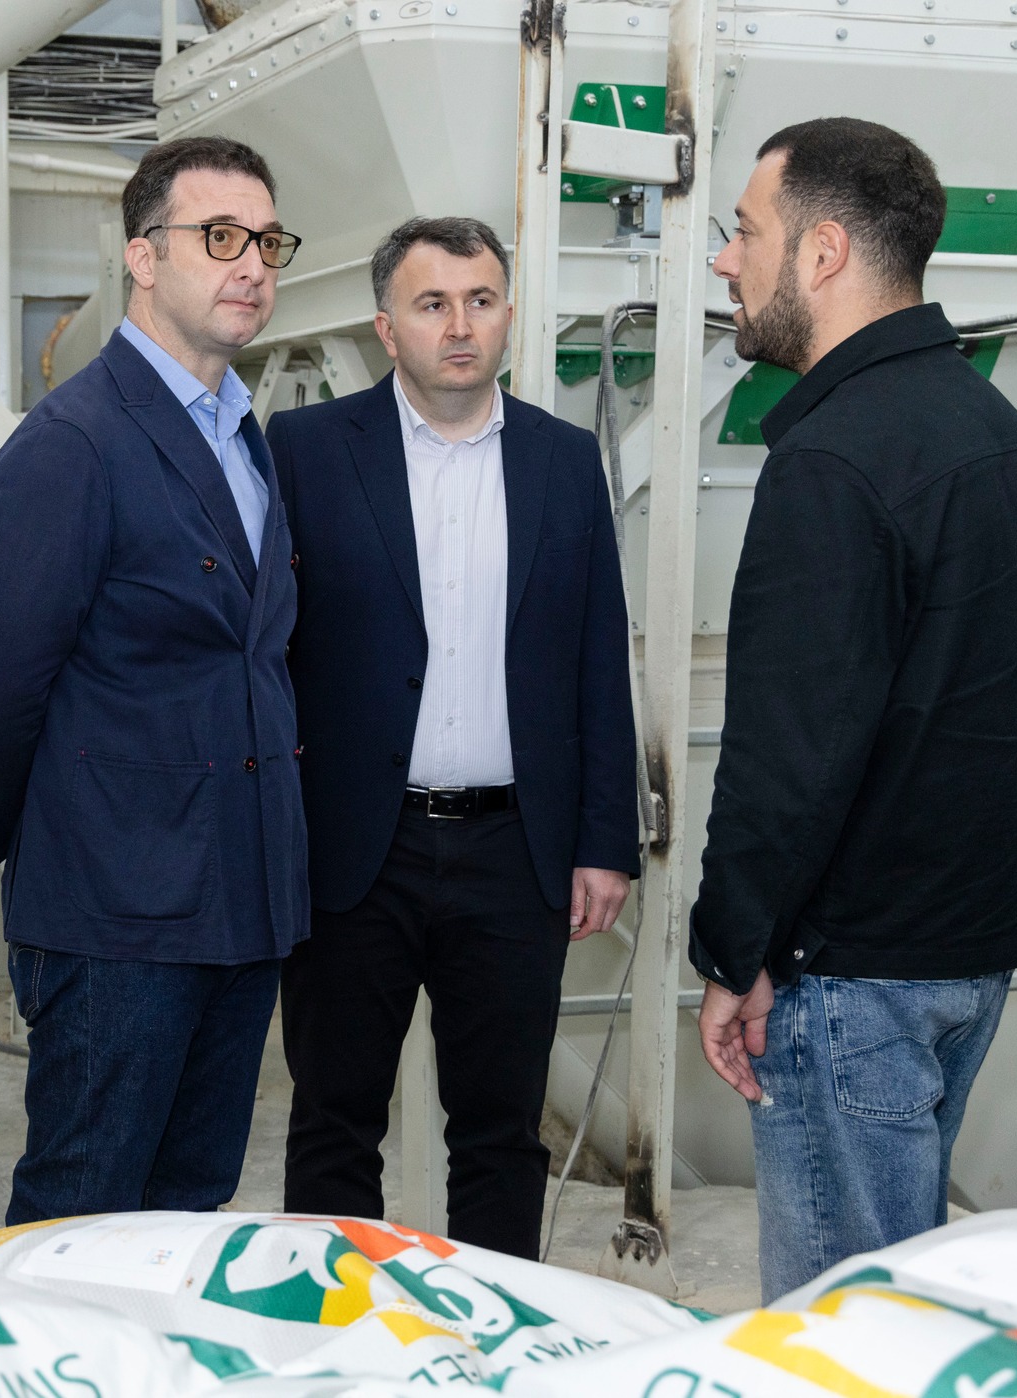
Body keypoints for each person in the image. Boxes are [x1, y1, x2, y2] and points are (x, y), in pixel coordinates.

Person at [690, 118, 1017, 1300]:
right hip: (964, 957)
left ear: (821, 251)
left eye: (743, 231)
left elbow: (787, 753)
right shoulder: (990, 427)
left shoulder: (833, 458)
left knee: (839, 1330)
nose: (724, 261)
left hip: (851, 978)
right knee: (904, 1303)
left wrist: (732, 952)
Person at [0, 136, 308, 1225]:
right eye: (219, 238)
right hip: (115, 910)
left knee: (188, 1210)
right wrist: (50, 842)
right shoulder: (72, 445)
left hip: (241, 898)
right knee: (82, 1210)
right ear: (143, 258)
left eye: (267, 243)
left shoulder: (244, 438)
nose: (251, 265)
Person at [268, 216, 641, 1258]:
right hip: (355, 849)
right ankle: (330, 1323)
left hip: (514, 855)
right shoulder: (305, 451)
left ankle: (493, 1329)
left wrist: (604, 840)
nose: (459, 326)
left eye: (479, 301)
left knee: (500, 1132)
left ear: (508, 316)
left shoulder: (563, 461)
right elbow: (264, 651)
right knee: (334, 1120)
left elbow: (595, 656)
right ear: (387, 327)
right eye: (432, 304)